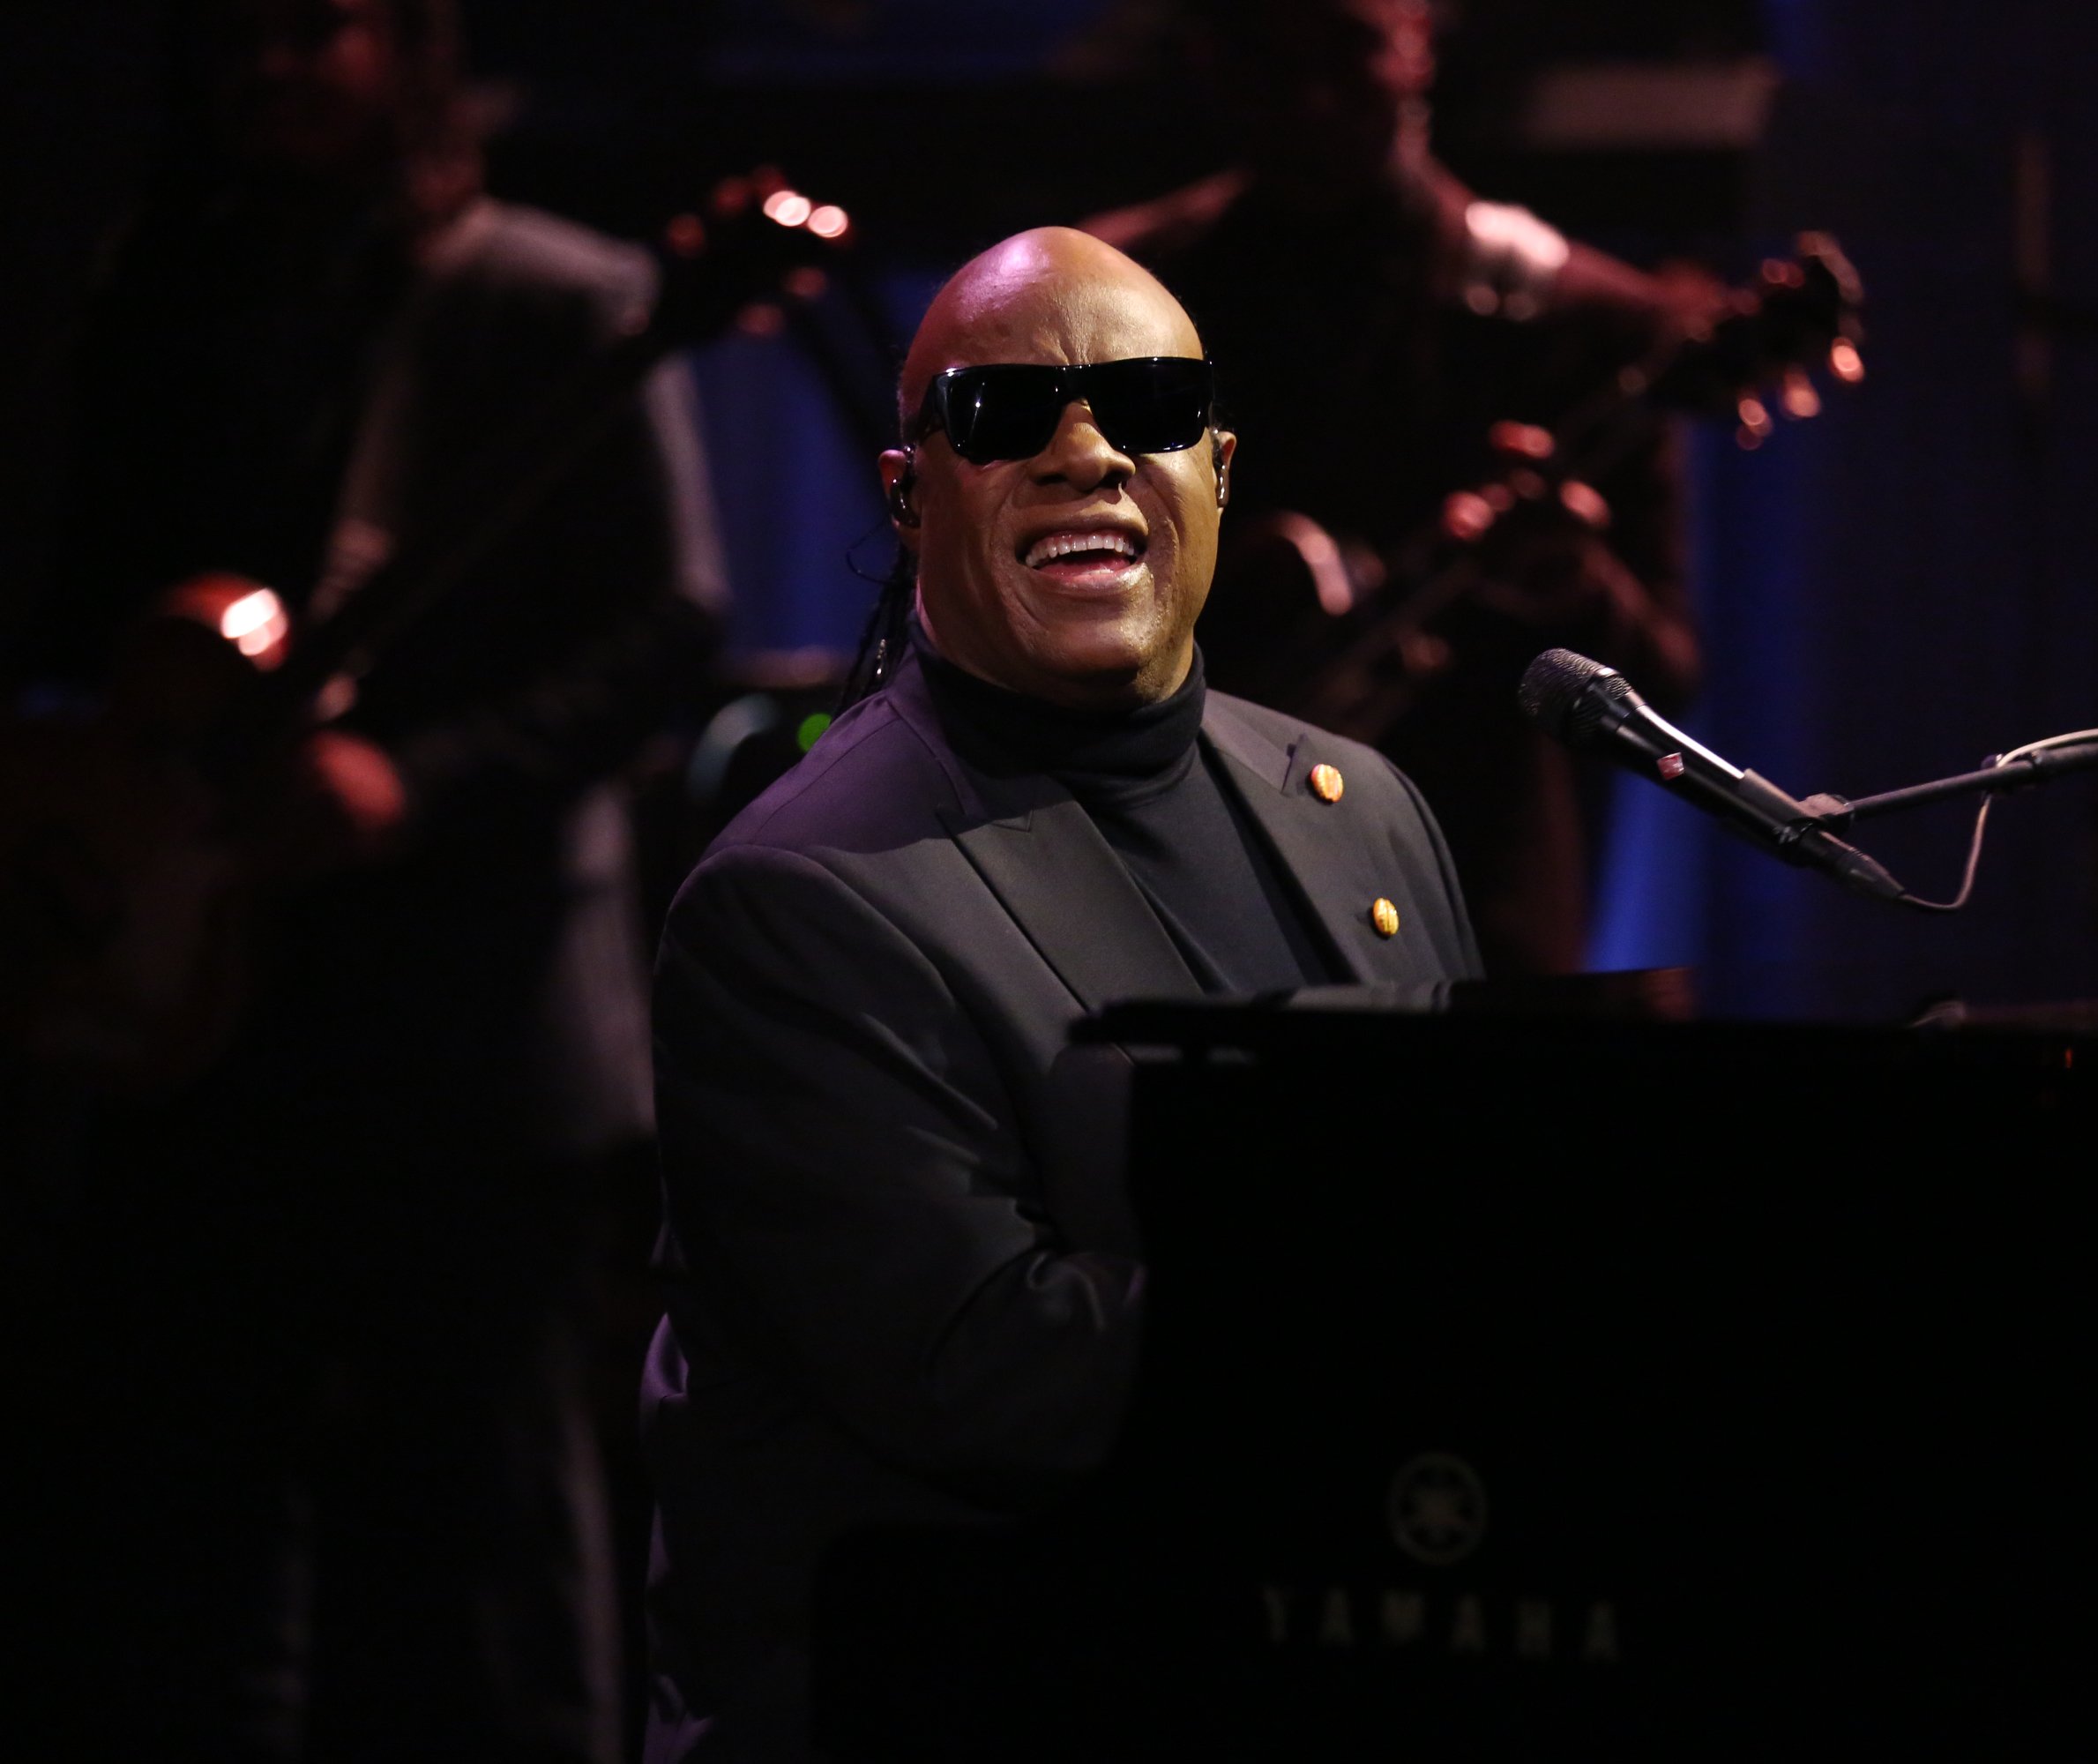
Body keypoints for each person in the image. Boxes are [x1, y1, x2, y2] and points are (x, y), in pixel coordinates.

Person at [640, 226, 1482, 1758]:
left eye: (1147, 404)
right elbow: (1000, 1381)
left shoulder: (1365, 809)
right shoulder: (798, 905)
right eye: (1002, 415)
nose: (1084, 450)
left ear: (1217, 469)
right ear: (911, 496)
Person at [10, 0, 722, 1755]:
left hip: (469, 1034)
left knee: (487, 1561)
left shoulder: (556, 296)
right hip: (196, 1014)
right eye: (234, 30)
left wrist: (413, 778)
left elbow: (668, 634)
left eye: (312, 25)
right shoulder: (162, 292)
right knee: (175, 1557)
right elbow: (81, 612)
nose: (267, 64)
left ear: (408, 45)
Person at [1086, 0, 1706, 976]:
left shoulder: (1582, 318)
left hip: (1475, 919)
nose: (1312, 98)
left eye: (1345, 50)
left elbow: (1663, 676)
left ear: (1418, 45)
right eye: (1266, 57)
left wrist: (1569, 580)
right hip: (1182, 900)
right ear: (1208, 59)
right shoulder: (1114, 299)